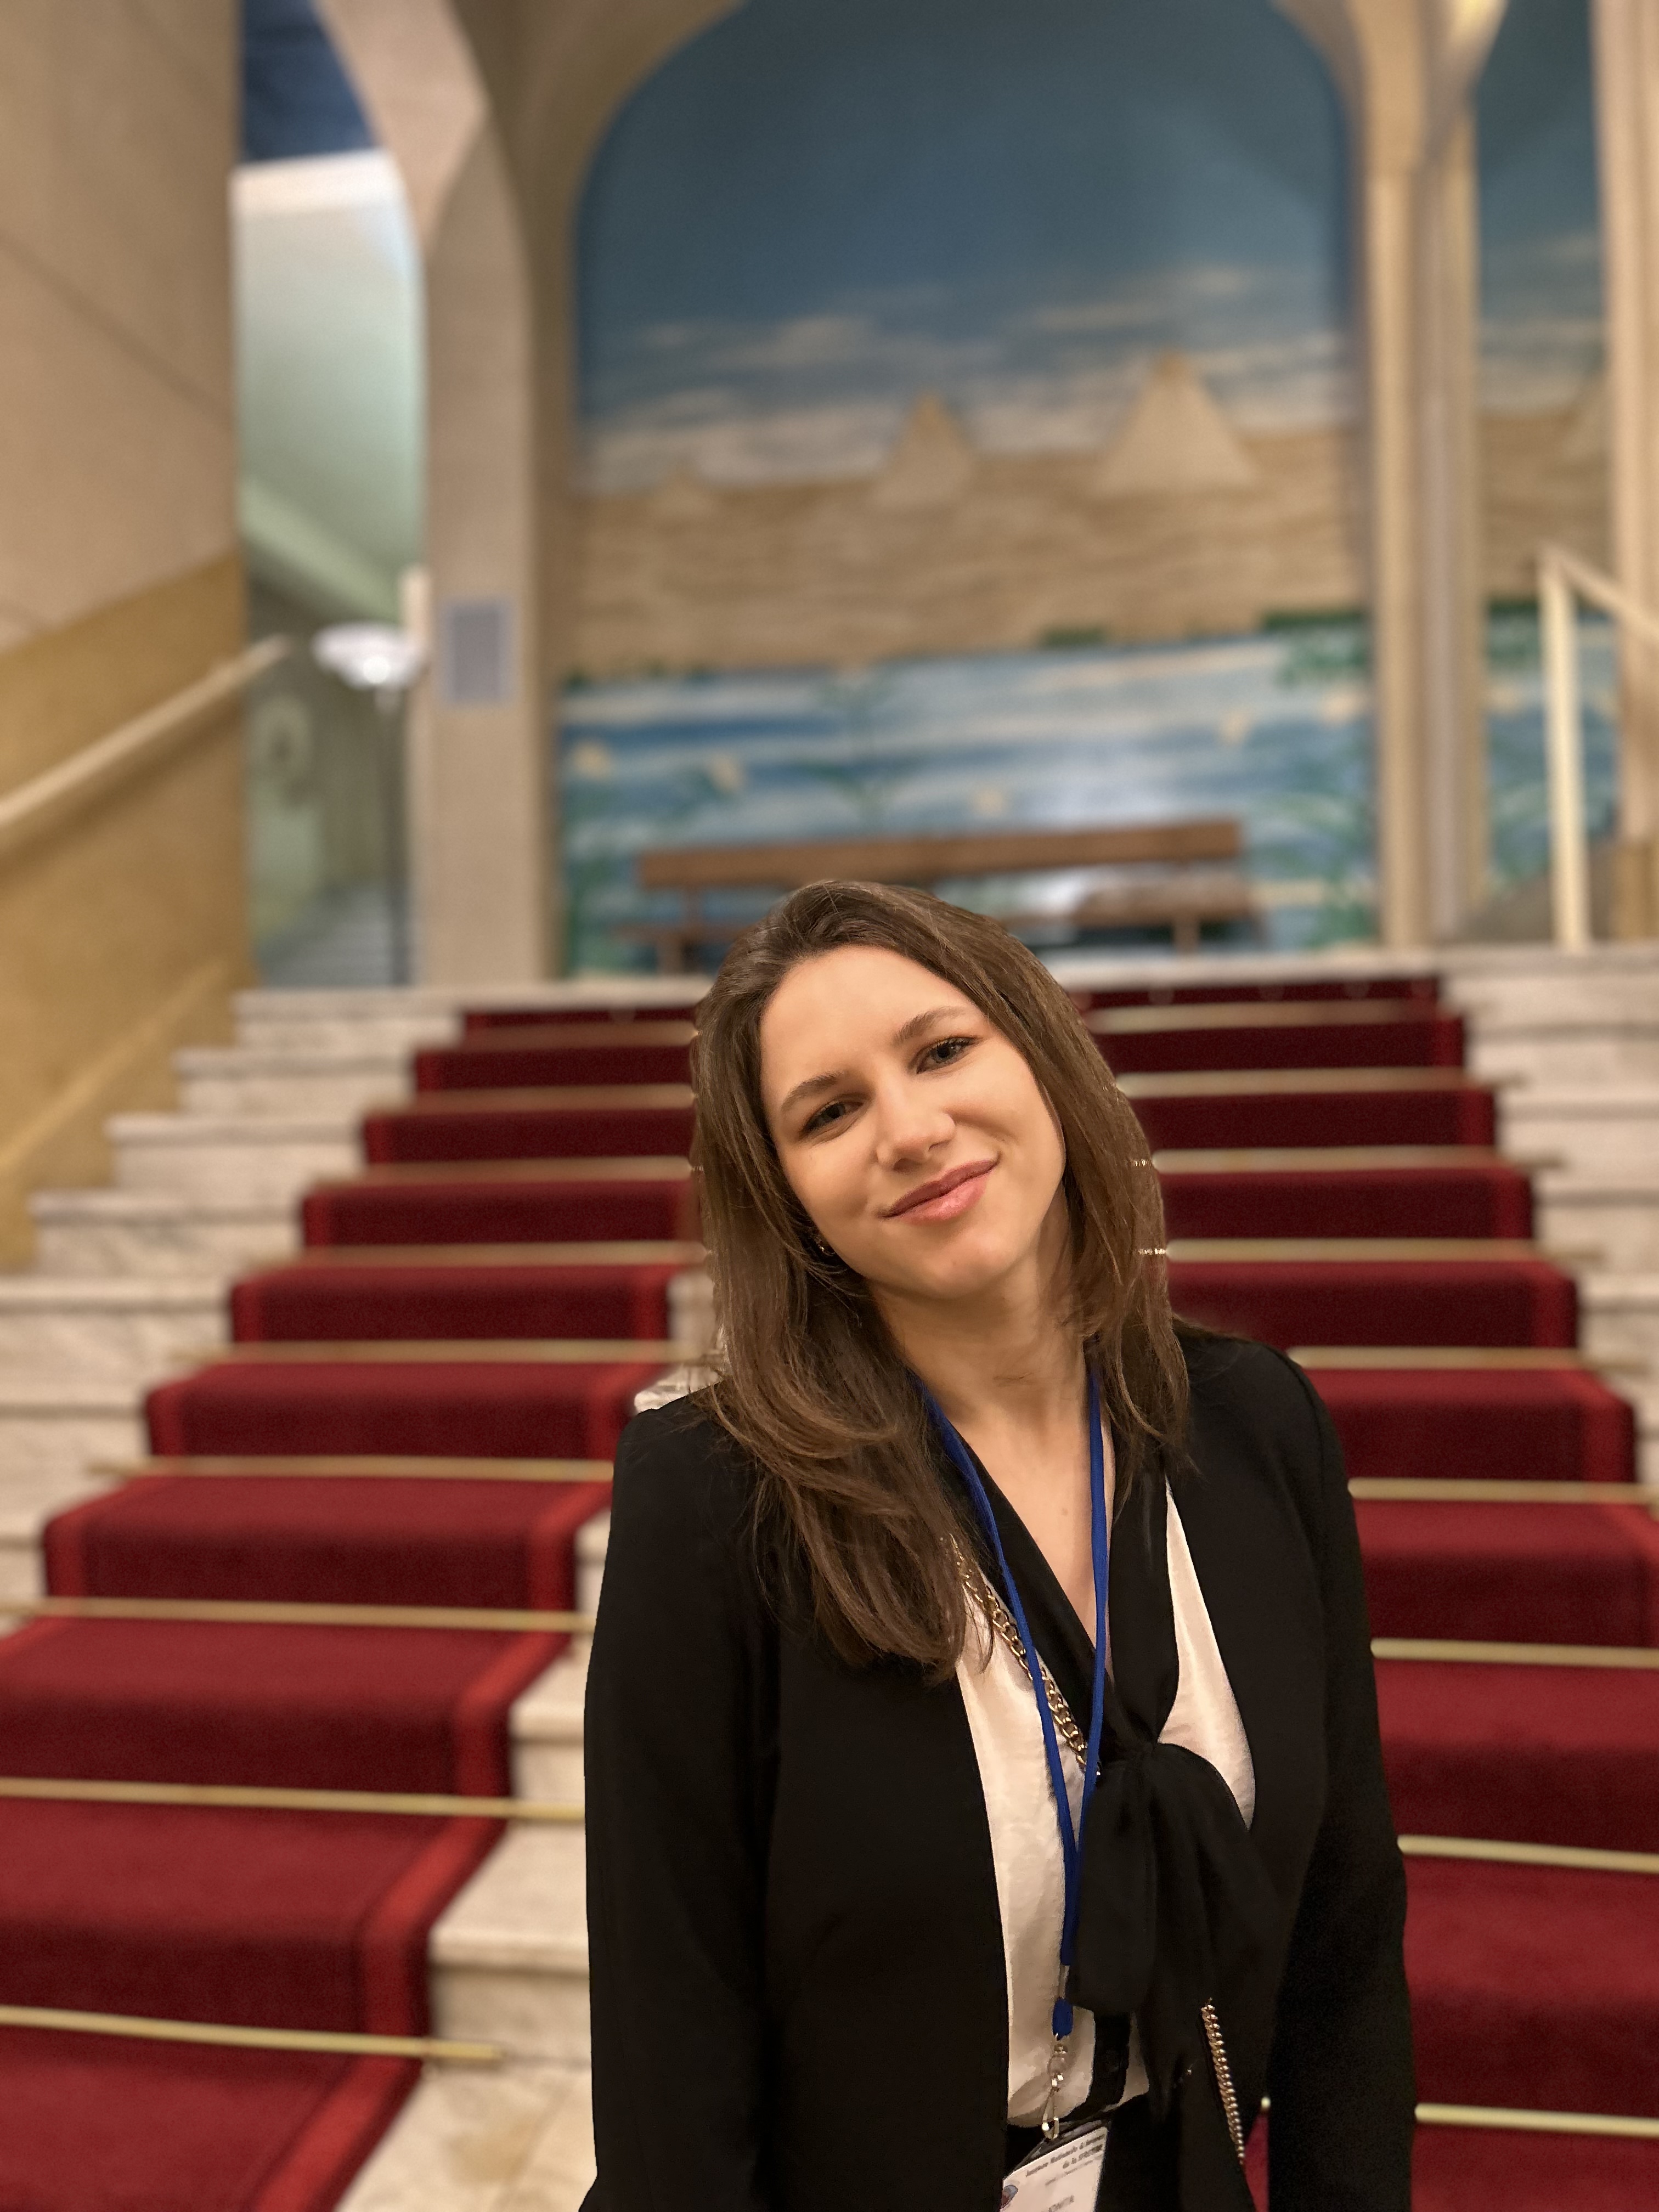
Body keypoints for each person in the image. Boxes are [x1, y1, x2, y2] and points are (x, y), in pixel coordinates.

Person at [582, 882, 1414, 2212]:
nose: (911, 1130)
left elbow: (1347, 1935)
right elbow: (667, 2044)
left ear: (1040, 1053)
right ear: (786, 1197)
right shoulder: (711, 1499)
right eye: (829, 1113)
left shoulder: (1257, 1422)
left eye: (942, 1050)